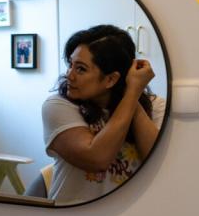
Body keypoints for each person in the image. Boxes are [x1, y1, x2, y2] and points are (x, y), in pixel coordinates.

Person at [41, 25, 166, 205]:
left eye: (81, 69)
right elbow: (97, 158)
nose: (69, 75)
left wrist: (132, 95)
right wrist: (131, 93)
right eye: (70, 64)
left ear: (111, 79)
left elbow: (160, 165)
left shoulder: (155, 106)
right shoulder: (58, 106)